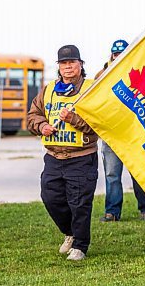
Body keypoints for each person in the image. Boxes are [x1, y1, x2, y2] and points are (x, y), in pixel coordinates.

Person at [27, 44, 98, 261]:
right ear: (59, 67)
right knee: (50, 198)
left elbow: (100, 123)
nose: (68, 67)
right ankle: (70, 233)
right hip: (53, 157)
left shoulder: (91, 89)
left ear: (80, 64)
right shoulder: (49, 90)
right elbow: (32, 116)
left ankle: (80, 246)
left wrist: (73, 119)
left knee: (79, 203)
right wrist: (41, 126)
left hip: (81, 157)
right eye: (63, 63)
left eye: (72, 62)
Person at [94, 39, 145, 222]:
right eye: (116, 53)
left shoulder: (136, 72)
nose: (119, 57)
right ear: (112, 54)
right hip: (111, 133)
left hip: (134, 133)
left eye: (122, 53)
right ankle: (112, 212)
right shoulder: (102, 74)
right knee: (112, 174)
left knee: (138, 172)